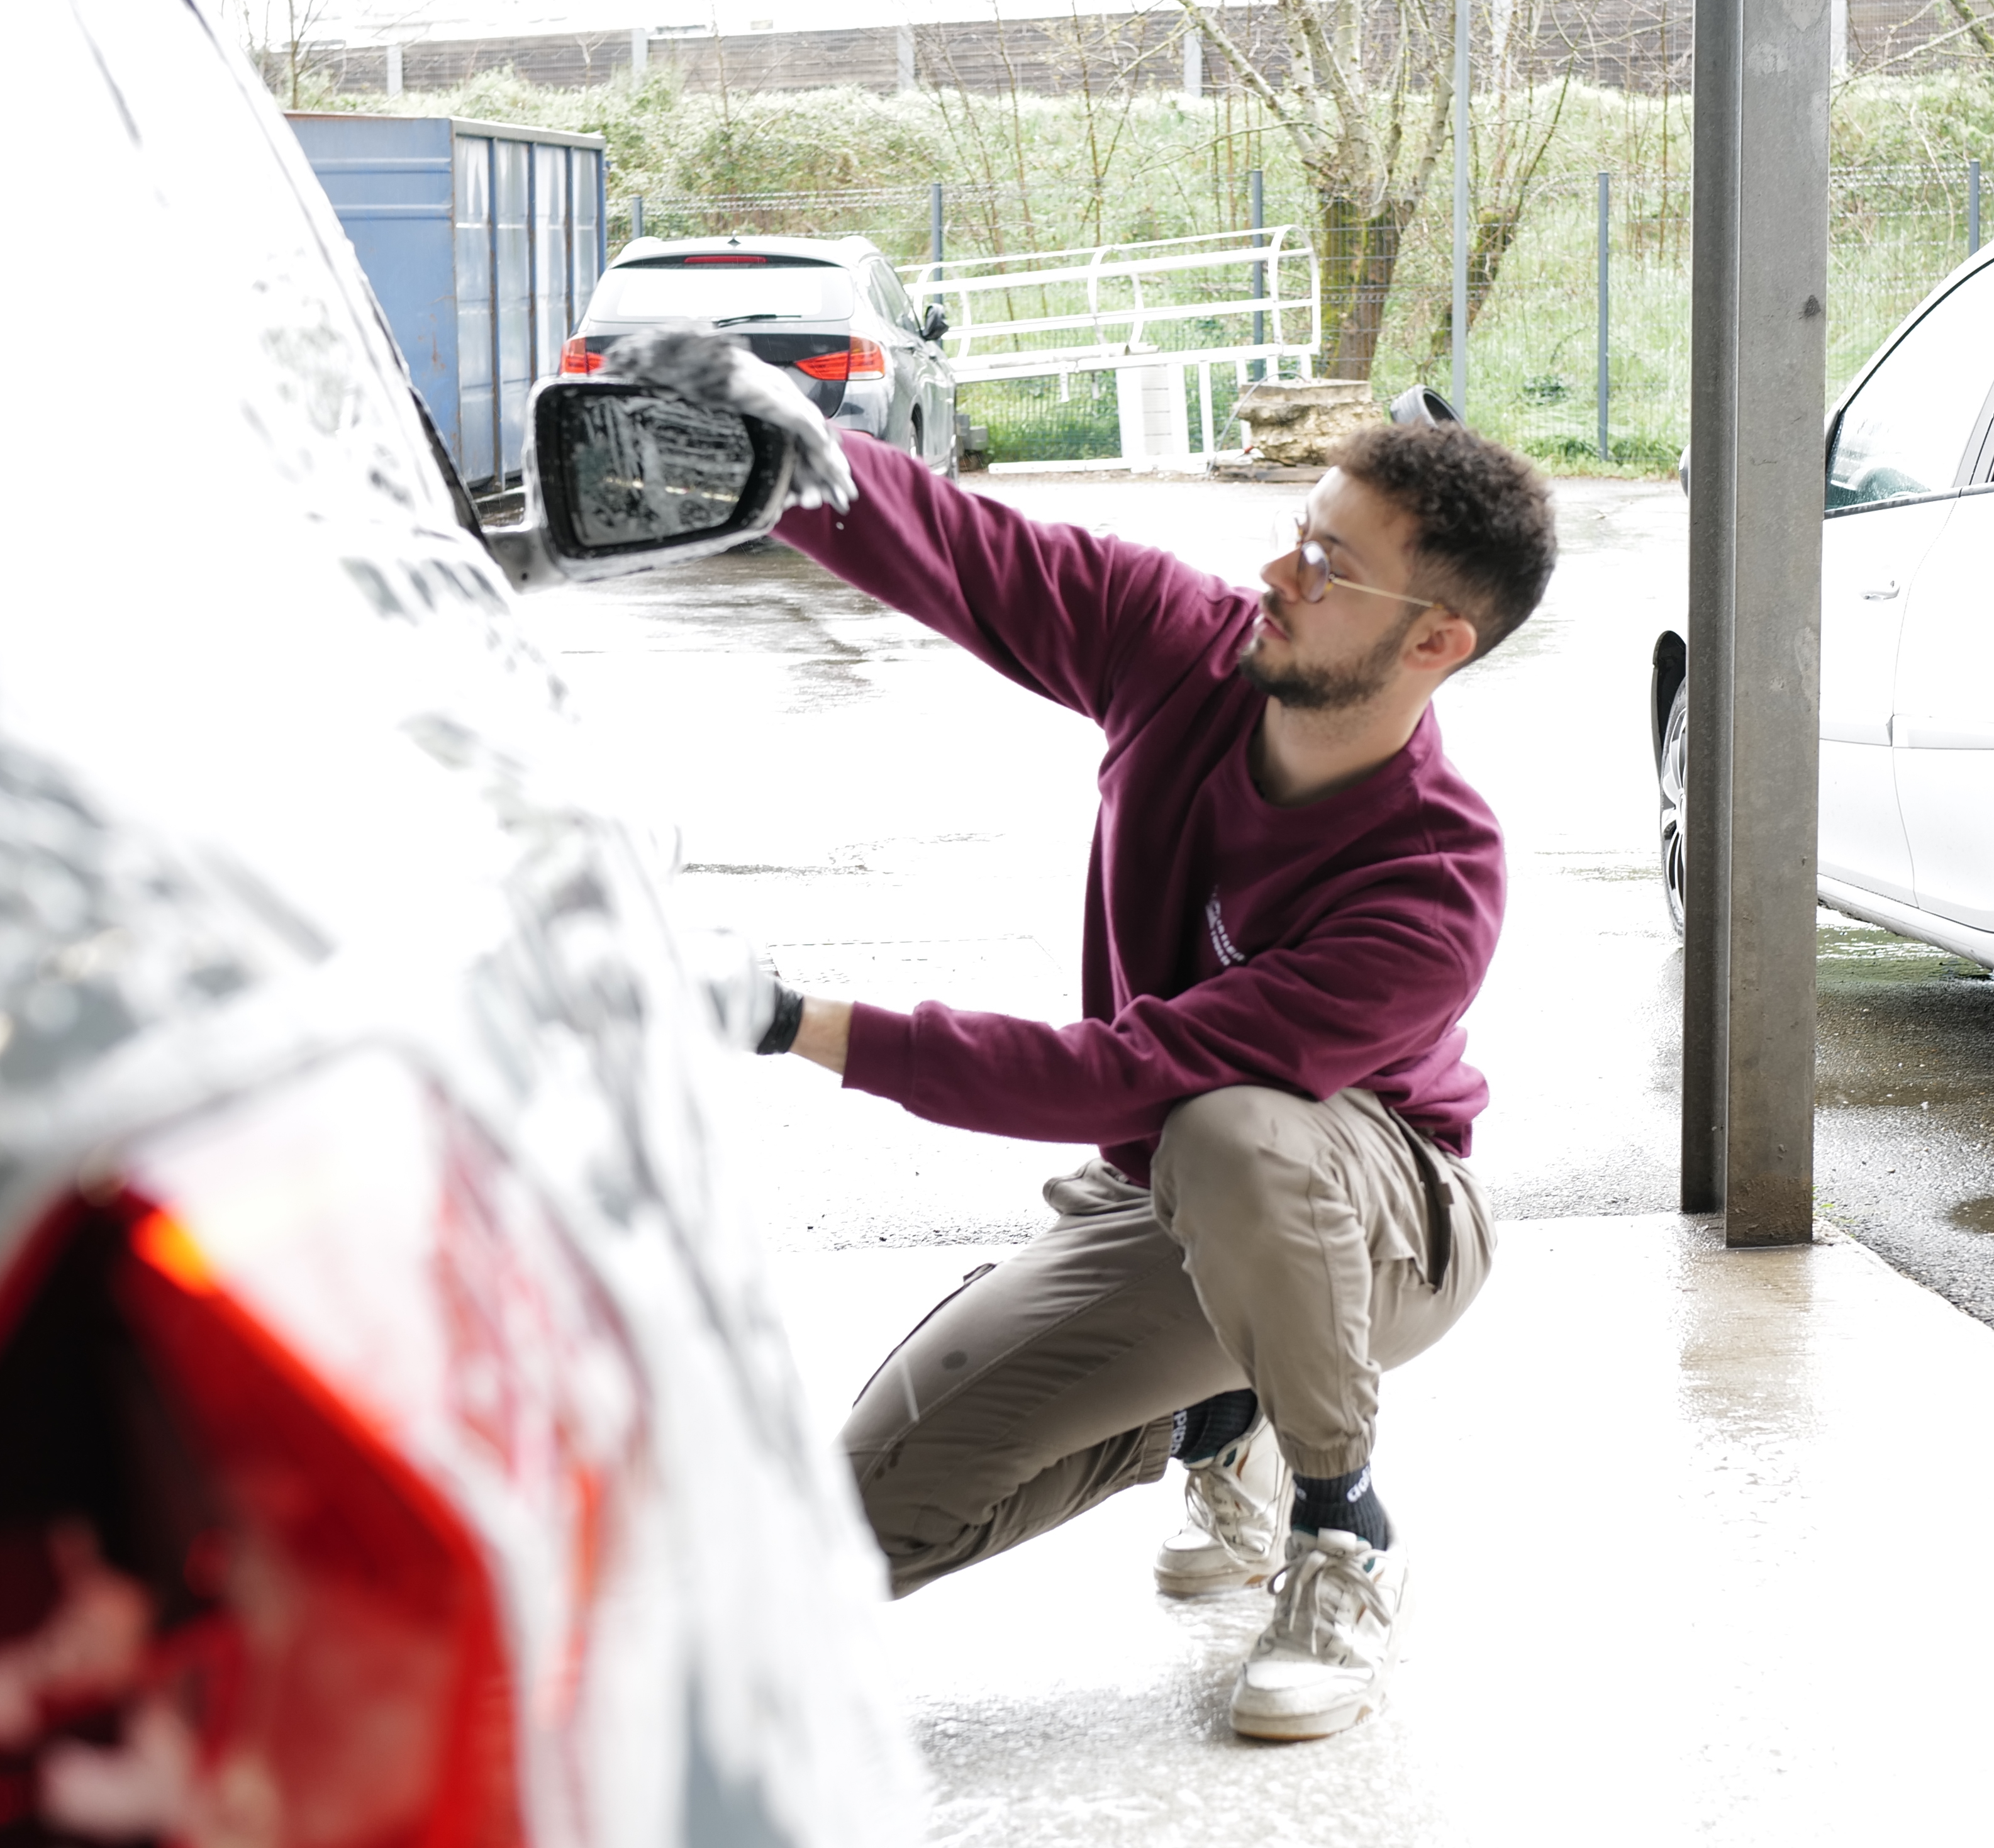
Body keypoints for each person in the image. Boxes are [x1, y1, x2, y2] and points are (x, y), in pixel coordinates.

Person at [659, 334, 1557, 1742]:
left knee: (1232, 1132)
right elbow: (982, 560)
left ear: (1435, 641)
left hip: (1385, 1223)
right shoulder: (1192, 649)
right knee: (845, 1534)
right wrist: (804, 467)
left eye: (1329, 568)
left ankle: (1341, 1530)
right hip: (1162, 1190)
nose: (1278, 573)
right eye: (1299, 534)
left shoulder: (1432, 884)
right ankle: (1215, 1413)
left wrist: (791, 1022)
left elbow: (1128, 1076)